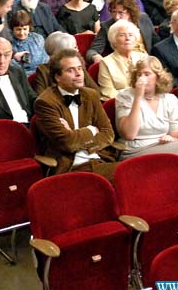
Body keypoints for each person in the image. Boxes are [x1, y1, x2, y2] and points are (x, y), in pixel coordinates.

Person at [33, 48, 118, 180]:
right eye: (71, 70)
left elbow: (108, 133)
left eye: (80, 68)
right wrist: (91, 130)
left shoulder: (91, 95)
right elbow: (68, 143)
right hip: (71, 166)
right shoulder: (45, 102)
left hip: (99, 159)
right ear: (57, 77)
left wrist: (76, 136)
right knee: (129, 176)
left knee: (136, 174)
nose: (79, 74)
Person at [115, 56, 178, 169]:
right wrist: (138, 97)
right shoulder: (125, 96)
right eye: (139, 74)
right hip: (135, 151)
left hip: (162, 146)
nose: (141, 78)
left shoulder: (170, 100)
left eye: (147, 74)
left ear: (158, 77)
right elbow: (129, 134)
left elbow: (174, 136)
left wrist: (171, 139)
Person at [32, 31, 99, 94]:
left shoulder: (78, 65)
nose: (78, 50)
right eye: (74, 47)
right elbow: (42, 99)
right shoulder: (43, 70)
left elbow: (96, 92)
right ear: (62, 52)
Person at [98, 19, 146, 101]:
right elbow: (107, 92)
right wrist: (132, 99)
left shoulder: (144, 58)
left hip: (146, 101)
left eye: (131, 35)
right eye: (122, 35)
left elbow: (153, 85)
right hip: (122, 104)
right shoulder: (106, 62)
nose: (127, 38)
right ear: (114, 41)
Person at [10, 9, 48, 75]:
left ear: (29, 27)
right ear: (13, 29)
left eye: (25, 29)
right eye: (18, 29)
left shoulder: (38, 39)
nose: (22, 33)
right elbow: (13, 67)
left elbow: (45, 60)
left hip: (40, 74)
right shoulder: (8, 43)